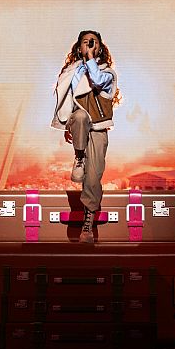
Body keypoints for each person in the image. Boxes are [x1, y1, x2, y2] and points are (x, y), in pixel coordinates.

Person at [52, 30, 119, 243]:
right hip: (80, 122)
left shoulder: (107, 73)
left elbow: (97, 82)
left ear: (99, 48)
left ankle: (88, 222)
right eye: (85, 42)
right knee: (80, 116)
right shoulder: (72, 71)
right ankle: (79, 157)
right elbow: (66, 101)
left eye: (94, 42)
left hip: (99, 129)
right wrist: (67, 126)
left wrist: (90, 59)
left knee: (93, 178)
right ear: (78, 47)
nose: (90, 45)